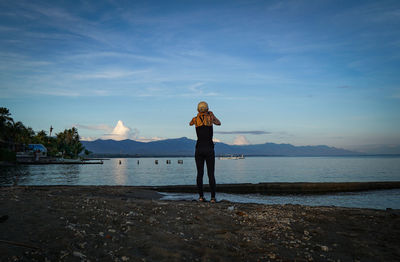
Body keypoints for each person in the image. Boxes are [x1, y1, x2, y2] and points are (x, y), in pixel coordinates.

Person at [189, 101, 221, 203]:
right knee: (211, 174)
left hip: (199, 149)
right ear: (207, 109)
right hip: (209, 149)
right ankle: (212, 198)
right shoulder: (210, 118)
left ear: (198, 109)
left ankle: (201, 197)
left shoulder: (195, 119)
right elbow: (218, 123)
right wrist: (211, 114)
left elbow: (190, 123)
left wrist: (199, 115)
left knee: (200, 174)